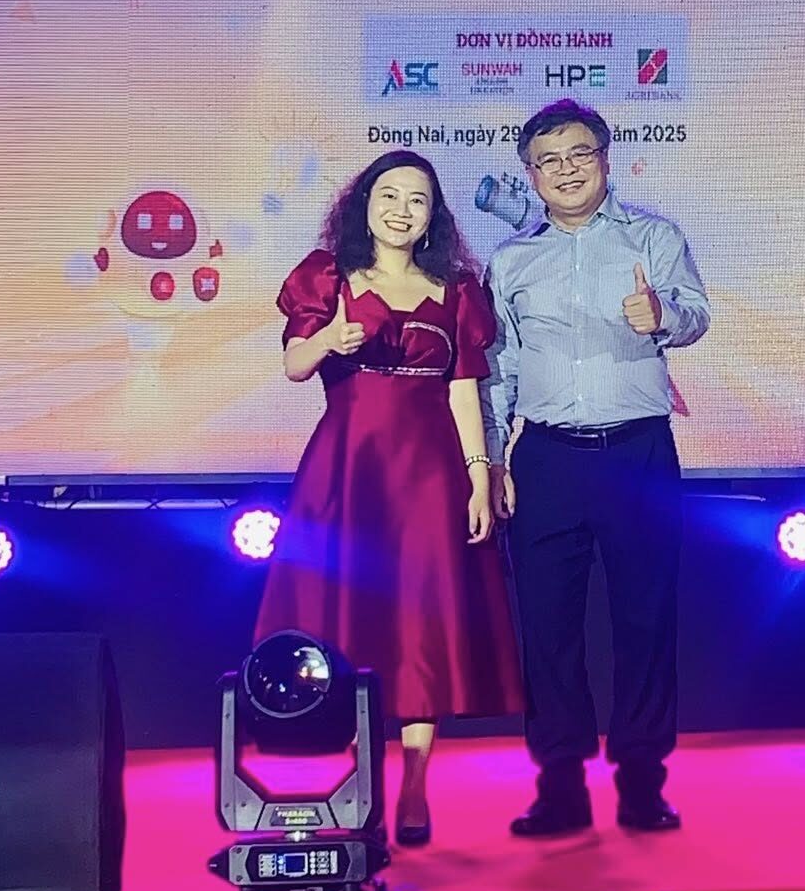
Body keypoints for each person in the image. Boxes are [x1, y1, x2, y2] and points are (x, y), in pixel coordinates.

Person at [255, 150, 523, 848]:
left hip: (430, 474)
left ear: (433, 216)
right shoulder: (326, 277)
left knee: (422, 623)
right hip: (348, 469)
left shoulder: (456, 290)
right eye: (390, 195)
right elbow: (293, 365)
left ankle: (414, 784)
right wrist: (327, 338)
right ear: (364, 204)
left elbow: (463, 389)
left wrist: (478, 473)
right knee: (350, 615)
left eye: (418, 199)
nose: (402, 209)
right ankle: (362, 772)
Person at [482, 99, 710, 836]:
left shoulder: (654, 237)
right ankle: (560, 785)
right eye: (548, 160)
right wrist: (493, 457)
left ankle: (643, 780)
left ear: (605, 160)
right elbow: (498, 369)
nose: (566, 170)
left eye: (579, 154)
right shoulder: (511, 261)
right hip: (546, 459)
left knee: (646, 618)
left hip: (638, 453)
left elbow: (696, 313)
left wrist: (663, 317)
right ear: (530, 175)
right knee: (547, 627)